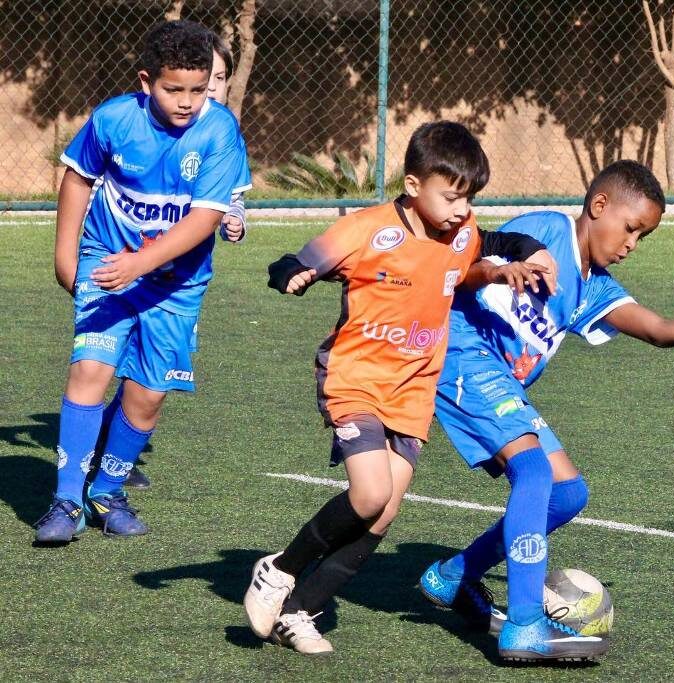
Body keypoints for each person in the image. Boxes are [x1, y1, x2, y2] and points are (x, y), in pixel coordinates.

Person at [415, 160, 674, 663]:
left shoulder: (594, 286)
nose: (632, 244)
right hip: (461, 352)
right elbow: (464, 265)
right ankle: (524, 627)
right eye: (631, 228)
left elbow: (658, 330)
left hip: (501, 383)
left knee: (568, 493)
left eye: (643, 237)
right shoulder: (546, 229)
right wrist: (501, 268)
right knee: (532, 471)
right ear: (599, 207)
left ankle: (453, 577)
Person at [243, 121, 557, 655]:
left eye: (469, 199)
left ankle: (299, 612)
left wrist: (519, 261)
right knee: (369, 494)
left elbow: (489, 247)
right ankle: (279, 570)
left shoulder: (460, 230)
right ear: (413, 186)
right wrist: (292, 274)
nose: (462, 210)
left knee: (384, 511)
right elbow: (301, 259)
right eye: (452, 197)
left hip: (414, 388)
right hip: (357, 376)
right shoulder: (367, 229)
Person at [33, 19, 250, 543]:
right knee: (91, 367)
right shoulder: (113, 119)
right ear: (146, 80)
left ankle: (107, 493)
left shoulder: (219, 132)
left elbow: (202, 221)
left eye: (199, 90)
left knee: (148, 395)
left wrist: (142, 262)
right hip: (106, 258)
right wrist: (66, 255)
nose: (187, 102)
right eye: (174, 89)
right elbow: (78, 176)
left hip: (177, 282)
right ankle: (65, 502)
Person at [100, 32, 249, 491]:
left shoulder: (221, 132)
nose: (212, 90)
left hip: (179, 278)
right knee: (113, 364)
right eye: (213, 79)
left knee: (151, 376)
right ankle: (100, 460)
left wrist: (234, 218)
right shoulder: (139, 122)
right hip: (128, 265)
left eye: (218, 81)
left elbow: (228, 198)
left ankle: (110, 453)